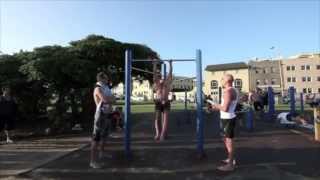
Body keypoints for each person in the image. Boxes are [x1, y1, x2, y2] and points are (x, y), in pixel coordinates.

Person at [209, 74, 238, 171]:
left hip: (228, 119)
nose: (221, 80)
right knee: (225, 139)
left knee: (229, 141)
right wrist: (216, 107)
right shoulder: (233, 90)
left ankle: (230, 165)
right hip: (227, 118)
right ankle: (230, 159)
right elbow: (226, 106)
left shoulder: (228, 91)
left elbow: (225, 108)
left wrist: (216, 105)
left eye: (222, 79)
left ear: (227, 81)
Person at [90, 72, 115, 169]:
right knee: (96, 138)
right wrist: (111, 99)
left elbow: (112, 99)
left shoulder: (106, 88)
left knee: (105, 136)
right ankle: (92, 161)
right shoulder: (98, 88)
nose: (108, 80)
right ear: (101, 79)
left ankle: (102, 153)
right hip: (100, 115)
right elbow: (105, 100)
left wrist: (111, 99)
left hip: (107, 114)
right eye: (106, 78)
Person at [153, 60, 173, 141]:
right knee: (157, 118)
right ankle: (158, 133)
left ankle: (162, 134)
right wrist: (154, 64)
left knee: (165, 119)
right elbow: (154, 74)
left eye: (162, 79)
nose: (161, 80)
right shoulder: (157, 85)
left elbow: (170, 73)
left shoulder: (167, 84)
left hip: (166, 102)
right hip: (158, 102)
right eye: (160, 79)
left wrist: (170, 64)